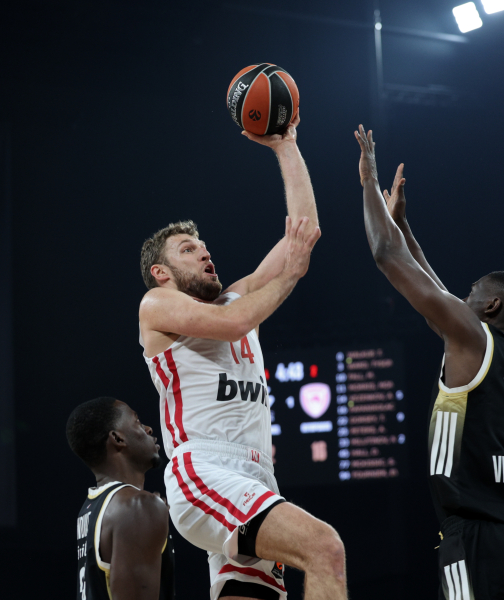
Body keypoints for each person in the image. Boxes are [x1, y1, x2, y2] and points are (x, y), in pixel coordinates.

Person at [138, 116, 346, 600]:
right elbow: (236, 323)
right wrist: (289, 276)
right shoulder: (157, 304)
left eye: (205, 247)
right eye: (189, 250)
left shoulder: (237, 296)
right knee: (325, 548)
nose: (205, 254)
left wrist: (286, 147)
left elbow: (304, 232)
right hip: (204, 469)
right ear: (161, 272)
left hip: (257, 476)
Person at [354, 124, 504, 600]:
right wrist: (404, 226)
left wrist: (368, 180)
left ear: (491, 306)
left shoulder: (472, 336)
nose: (461, 296)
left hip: (482, 539)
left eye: (472, 291)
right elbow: (435, 290)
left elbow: (385, 254)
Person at [66, 397, 175, 600]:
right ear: (118, 438)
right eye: (137, 422)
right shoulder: (137, 507)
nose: (148, 429)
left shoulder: (91, 507)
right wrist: (147, 511)